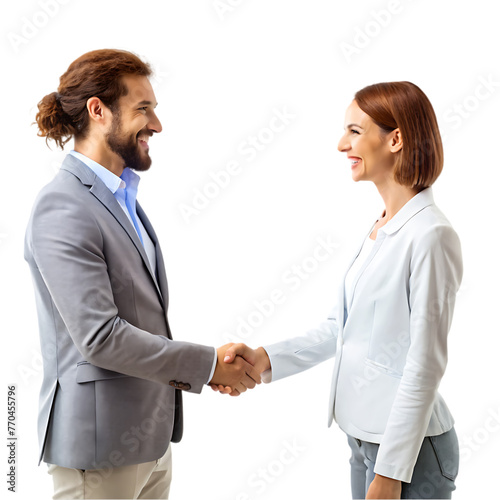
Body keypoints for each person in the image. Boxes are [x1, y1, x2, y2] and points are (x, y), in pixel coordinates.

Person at [25, 48, 261, 500]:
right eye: (143, 109)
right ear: (98, 110)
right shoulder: (63, 205)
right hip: (98, 449)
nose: (156, 124)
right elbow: (100, 337)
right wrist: (209, 365)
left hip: (148, 440)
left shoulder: (121, 198)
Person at [215, 82, 463, 499]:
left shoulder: (431, 235)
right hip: (362, 439)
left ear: (395, 139)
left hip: (409, 453)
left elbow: (426, 363)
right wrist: (265, 359)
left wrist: (390, 472)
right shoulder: (382, 224)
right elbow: (339, 328)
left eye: (354, 131)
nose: (340, 144)